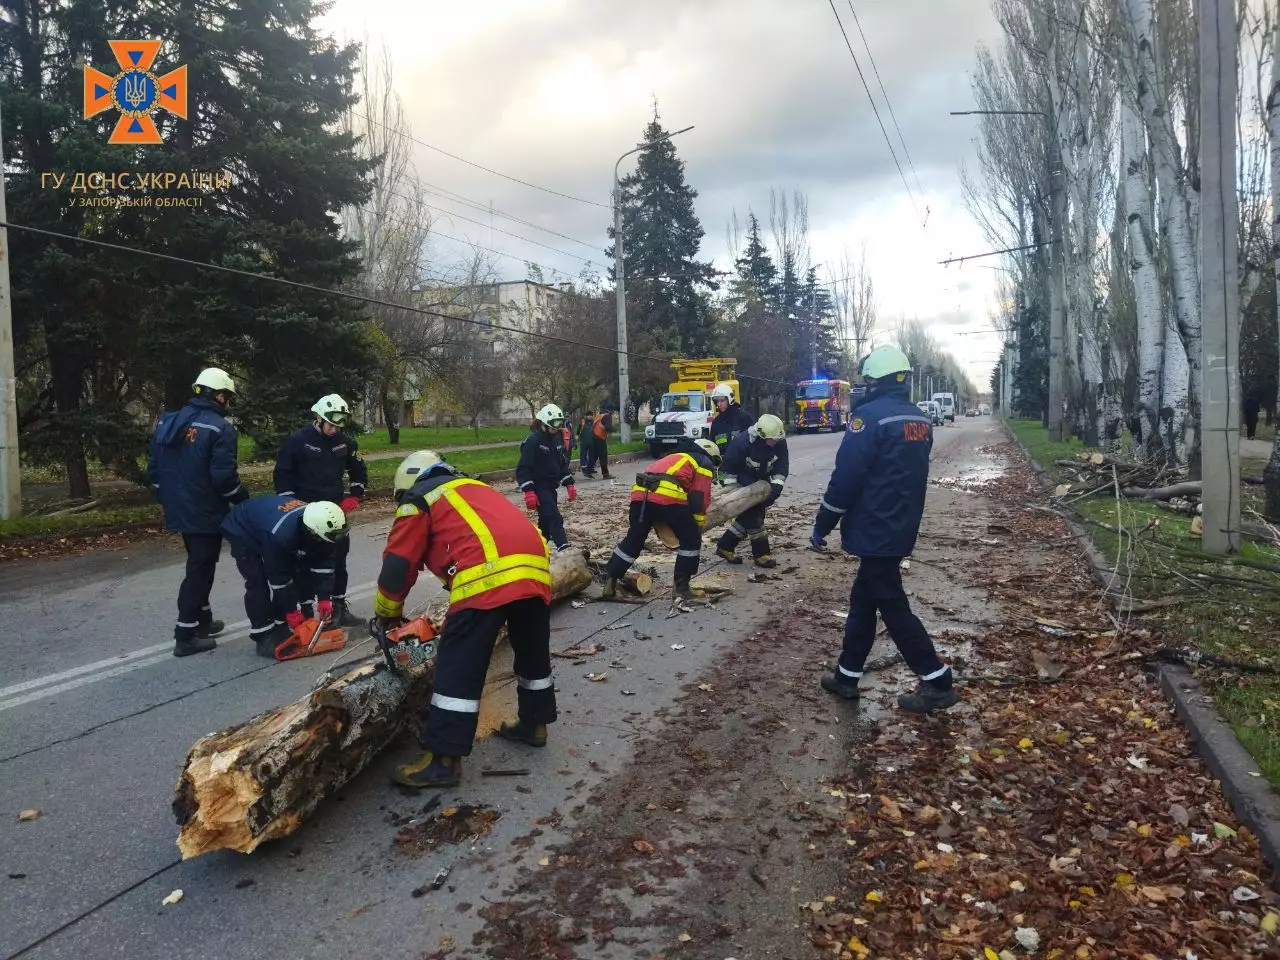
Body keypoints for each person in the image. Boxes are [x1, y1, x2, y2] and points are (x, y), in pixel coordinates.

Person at [374, 450, 557, 789]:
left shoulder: (419, 499)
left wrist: (387, 613)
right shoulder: (473, 488)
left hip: (487, 577)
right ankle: (535, 724)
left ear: (407, 484)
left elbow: (399, 564)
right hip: (535, 570)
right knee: (532, 654)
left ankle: (443, 759)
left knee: (458, 666)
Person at [811, 344, 958, 713]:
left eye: (867, 381)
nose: (864, 387)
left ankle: (937, 680)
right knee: (864, 599)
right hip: (900, 524)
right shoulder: (919, 420)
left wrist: (823, 523)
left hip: (875, 525)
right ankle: (847, 676)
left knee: (892, 605)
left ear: (876, 382)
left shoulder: (869, 420)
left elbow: (847, 478)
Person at [147, 367, 250, 658]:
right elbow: (224, 478)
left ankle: (203, 618)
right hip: (205, 508)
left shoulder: (168, 421)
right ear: (218, 395)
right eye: (227, 397)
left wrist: (167, 497)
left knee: (198, 560)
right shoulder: (220, 428)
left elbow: (153, 470)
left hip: (178, 506)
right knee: (200, 570)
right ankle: (186, 634)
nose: (228, 403)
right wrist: (243, 501)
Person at [273, 393, 367, 626]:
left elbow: (358, 471)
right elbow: (282, 474)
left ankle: (338, 607)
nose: (334, 429)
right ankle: (306, 611)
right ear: (318, 418)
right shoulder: (298, 441)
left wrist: (355, 495)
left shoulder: (345, 443)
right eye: (331, 425)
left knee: (338, 560)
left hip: (335, 513)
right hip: (305, 514)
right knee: (304, 563)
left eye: (338, 425)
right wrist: (291, 506)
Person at [220, 495, 349, 658]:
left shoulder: (323, 530)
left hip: (267, 520)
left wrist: (324, 599)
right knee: (257, 581)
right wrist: (291, 611)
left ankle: (281, 626)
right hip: (241, 527)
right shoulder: (280, 536)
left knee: (296, 572)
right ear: (312, 531)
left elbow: (323, 565)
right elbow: (279, 578)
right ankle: (264, 636)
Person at [601, 438, 720, 601]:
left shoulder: (675, 456)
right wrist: (696, 526)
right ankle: (682, 588)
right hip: (666, 494)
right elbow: (699, 498)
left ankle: (610, 583)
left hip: (639, 493)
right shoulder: (703, 460)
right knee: (691, 540)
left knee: (634, 538)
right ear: (711, 454)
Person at [715, 413, 789, 569]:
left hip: (761, 482)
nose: (775, 442)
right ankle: (761, 554)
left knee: (751, 515)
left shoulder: (778, 442)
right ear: (761, 436)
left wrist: (775, 488)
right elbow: (726, 470)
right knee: (754, 516)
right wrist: (734, 494)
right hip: (742, 481)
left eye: (777, 439)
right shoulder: (741, 444)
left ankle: (725, 546)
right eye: (772, 440)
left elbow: (781, 467)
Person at [517, 403, 577, 552]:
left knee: (545, 521)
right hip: (538, 487)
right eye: (554, 424)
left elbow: (561, 464)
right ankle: (564, 547)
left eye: (560, 424)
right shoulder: (532, 442)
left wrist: (569, 483)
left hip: (551, 487)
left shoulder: (556, 439)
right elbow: (523, 468)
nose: (557, 427)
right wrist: (529, 491)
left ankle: (539, 547)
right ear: (543, 423)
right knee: (553, 516)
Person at [709, 382, 754, 454]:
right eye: (716, 401)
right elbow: (713, 446)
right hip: (724, 462)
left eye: (722, 400)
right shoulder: (716, 423)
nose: (719, 404)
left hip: (743, 462)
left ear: (730, 399)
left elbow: (753, 442)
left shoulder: (744, 418)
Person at [586, 408, 613, 479]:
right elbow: (608, 427)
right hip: (600, 438)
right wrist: (613, 429)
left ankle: (587, 471)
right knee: (603, 456)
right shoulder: (607, 416)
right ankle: (605, 474)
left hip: (593, 436)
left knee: (594, 455)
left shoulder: (599, 415)